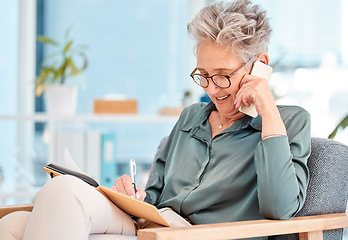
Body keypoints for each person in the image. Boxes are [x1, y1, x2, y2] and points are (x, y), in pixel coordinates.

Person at [0, 0, 311, 239]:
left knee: (61, 194)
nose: (212, 90)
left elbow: (279, 208)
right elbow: (155, 196)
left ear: (259, 65)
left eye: (223, 76)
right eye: (203, 76)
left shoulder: (288, 122)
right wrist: (133, 196)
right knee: (14, 223)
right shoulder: (191, 117)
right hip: (153, 225)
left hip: (195, 235)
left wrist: (267, 110)